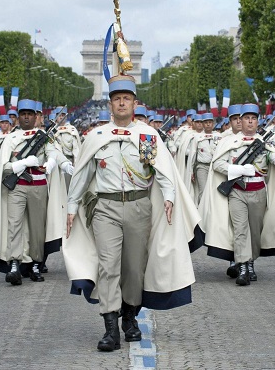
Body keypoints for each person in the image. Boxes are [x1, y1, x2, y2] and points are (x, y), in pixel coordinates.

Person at [64, 74, 198, 352]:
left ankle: (130, 316)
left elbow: (160, 171)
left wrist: (170, 197)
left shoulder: (145, 136)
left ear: (134, 104)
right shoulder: (97, 136)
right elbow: (82, 173)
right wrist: (72, 206)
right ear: (110, 105)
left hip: (139, 206)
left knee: (135, 269)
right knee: (108, 265)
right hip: (106, 208)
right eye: (116, 99)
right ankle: (110, 327)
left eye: (126, 98)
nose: (121, 103)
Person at [201, 103, 275, 285]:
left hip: (258, 191)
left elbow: (273, 157)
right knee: (240, 229)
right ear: (240, 121)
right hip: (237, 191)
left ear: (257, 121)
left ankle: (251, 261)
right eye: (246, 118)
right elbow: (217, 164)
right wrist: (237, 169)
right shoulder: (229, 142)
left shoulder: (263, 143)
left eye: (253, 118)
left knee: (255, 230)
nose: (250, 122)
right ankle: (243, 266)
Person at [0, 99, 72, 285]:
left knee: (37, 228)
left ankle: (35, 263)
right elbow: (4, 167)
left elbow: (53, 152)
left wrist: (53, 163)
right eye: (23, 114)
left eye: (30, 114)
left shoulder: (43, 136)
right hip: (16, 187)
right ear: (18, 117)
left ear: (35, 116)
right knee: (14, 225)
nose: (26, 117)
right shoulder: (10, 139)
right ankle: (14, 263)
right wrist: (22, 163)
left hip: (38, 186)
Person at [188, 112, 221, 204]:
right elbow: (193, 154)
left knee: (214, 190)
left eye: (210, 122)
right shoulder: (197, 137)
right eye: (205, 122)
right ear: (202, 124)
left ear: (213, 124)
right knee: (203, 190)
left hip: (215, 166)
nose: (208, 124)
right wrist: (191, 170)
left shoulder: (218, 136)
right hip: (202, 166)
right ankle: (202, 212)